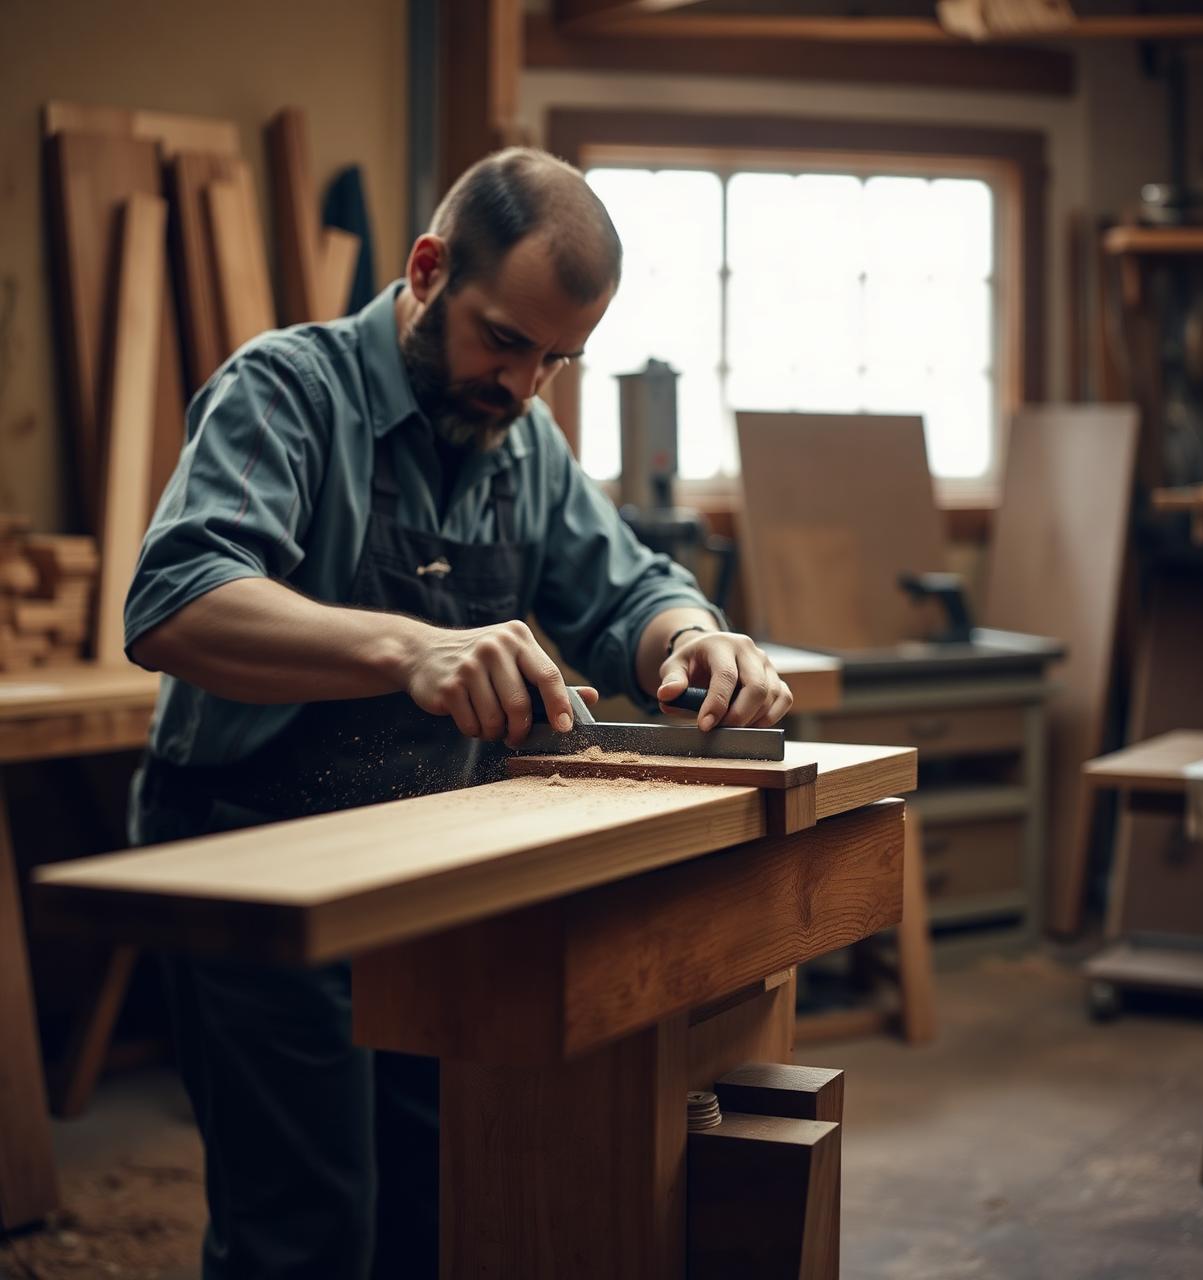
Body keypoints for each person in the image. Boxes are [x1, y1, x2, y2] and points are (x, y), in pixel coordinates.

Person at [124, 146, 793, 1279]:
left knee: (439, 1208)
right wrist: (408, 647)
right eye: (504, 341)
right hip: (254, 855)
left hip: (428, 881)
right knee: (306, 1229)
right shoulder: (285, 390)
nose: (525, 386)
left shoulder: (521, 443)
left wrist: (694, 638)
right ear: (428, 269)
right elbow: (175, 602)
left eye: (557, 359)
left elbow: (625, 587)